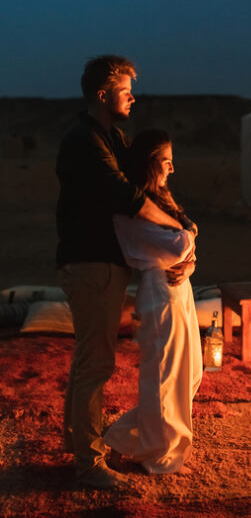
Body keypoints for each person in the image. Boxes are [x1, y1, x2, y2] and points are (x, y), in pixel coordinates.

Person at [56, 55, 190, 489]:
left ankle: (76, 441)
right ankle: (88, 464)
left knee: (89, 361)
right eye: (125, 89)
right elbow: (126, 196)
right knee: (95, 363)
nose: (133, 96)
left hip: (103, 262)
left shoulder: (110, 137)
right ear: (102, 94)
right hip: (91, 262)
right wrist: (180, 229)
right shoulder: (84, 140)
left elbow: (143, 186)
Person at [104, 129, 202, 474]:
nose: (172, 169)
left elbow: (183, 247)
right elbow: (178, 245)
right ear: (149, 164)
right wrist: (187, 239)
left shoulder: (160, 202)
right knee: (165, 377)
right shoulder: (130, 210)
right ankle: (159, 457)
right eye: (166, 161)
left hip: (179, 288)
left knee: (190, 374)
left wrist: (187, 257)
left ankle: (119, 438)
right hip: (159, 292)